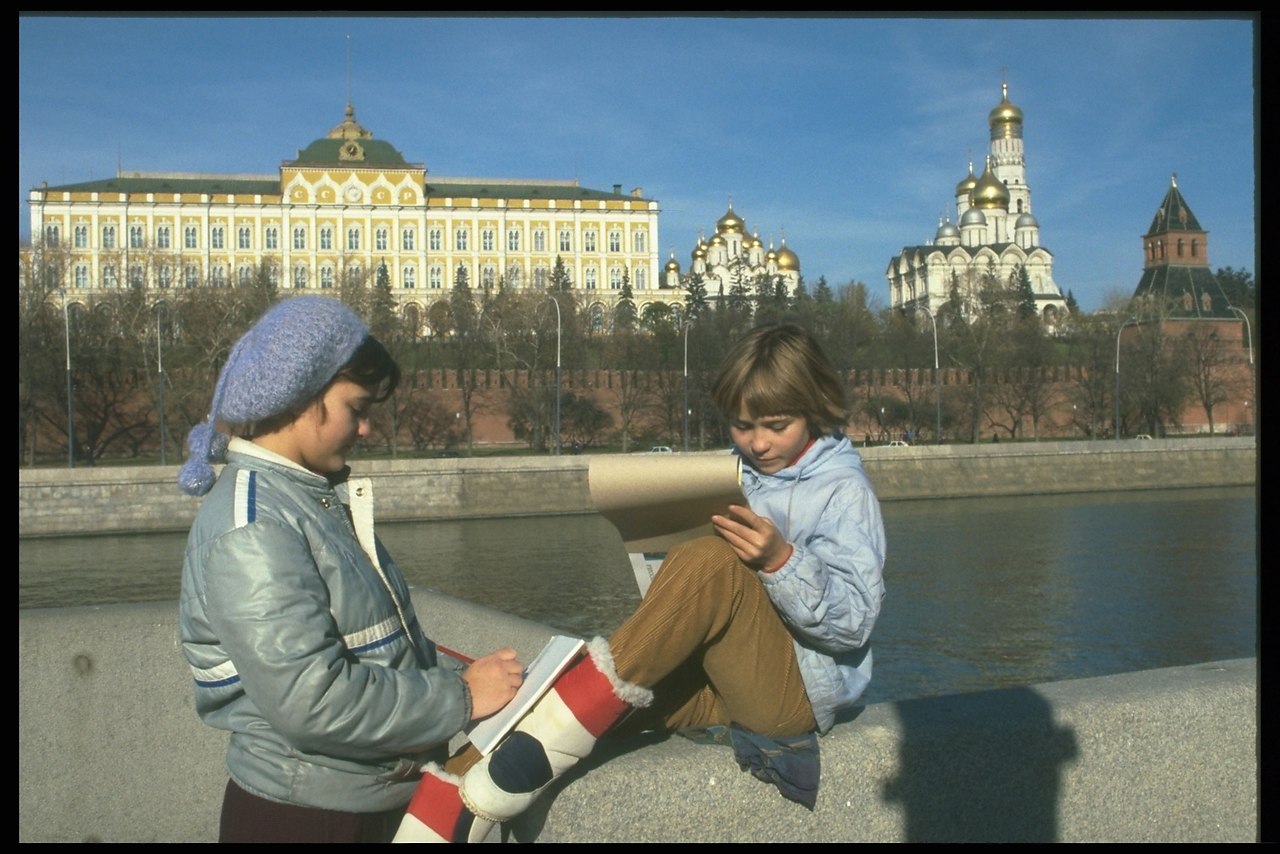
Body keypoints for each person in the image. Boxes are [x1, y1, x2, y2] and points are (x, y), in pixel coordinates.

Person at [398, 322, 886, 842]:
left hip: (794, 696)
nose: (758, 442)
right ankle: (456, 787)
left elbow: (853, 627)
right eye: (742, 426)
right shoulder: (734, 472)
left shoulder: (842, 492)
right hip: (719, 682)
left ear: (814, 406)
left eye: (776, 425)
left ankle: (520, 765)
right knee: (604, 715)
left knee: (712, 561)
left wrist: (781, 560)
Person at [177, 295, 524, 843]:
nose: (365, 430)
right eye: (356, 409)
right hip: (307, 818)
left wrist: (459, 678)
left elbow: (372, 646)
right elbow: (312, 700)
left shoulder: (307, 499)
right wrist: (461, 698)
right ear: (300, 396)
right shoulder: (254, 525)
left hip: (354, 800)